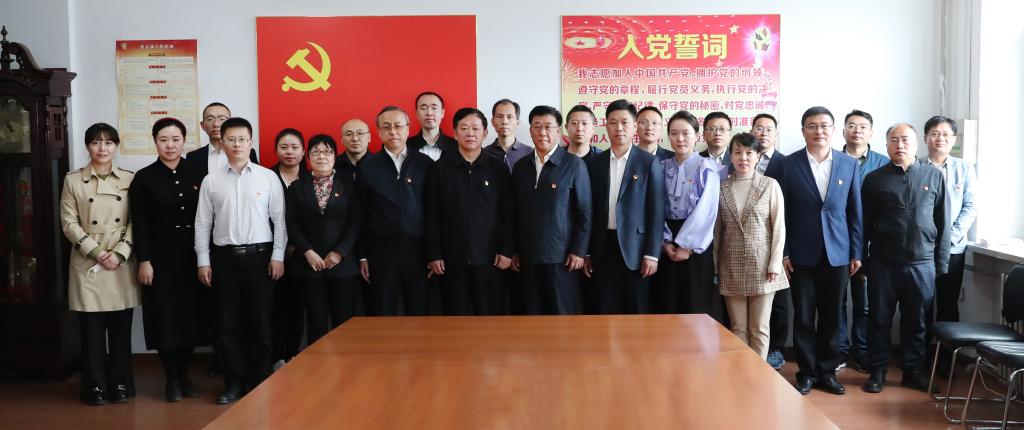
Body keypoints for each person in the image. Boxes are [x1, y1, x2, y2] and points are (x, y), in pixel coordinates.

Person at [194, 117, 286, 404]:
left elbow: (279, 221)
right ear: (222, 143)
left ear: (251, 142)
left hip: (260, 258)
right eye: (231, 139)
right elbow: (202, 223)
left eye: (242, 139)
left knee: (260, 323)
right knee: (227, 324)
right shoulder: (211, 180)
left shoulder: (267, 177)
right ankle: (233, 381)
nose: (237, 145)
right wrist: (203, 260)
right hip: (224, 260)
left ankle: (259, 379)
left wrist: (278, 256)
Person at [777, 106, 863, 396]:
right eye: (812, 126)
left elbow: (855, 212)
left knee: (832, 316)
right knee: (803, 317)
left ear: (834, 130)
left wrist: (855, 252)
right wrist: (784, 252)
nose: (819, 131)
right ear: (803, 131)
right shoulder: (788, 165)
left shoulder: (848, 164)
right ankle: (806, 373)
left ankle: (827, 372)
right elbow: (780, 214)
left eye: (825, 125)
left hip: (838, 254)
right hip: (800, 255)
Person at [861, 123, 950, 394]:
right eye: (893, 140)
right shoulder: (874, 179)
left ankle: (913, 372)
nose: (899, 145)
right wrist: (862, 260)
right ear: (886, 144)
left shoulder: (933, 176)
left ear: (916, 143)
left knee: (917, 321)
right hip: (883, 263)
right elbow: (863, 224)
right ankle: (877, 371)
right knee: (879, 319)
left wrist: (941, 262)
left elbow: (943, 222)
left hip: (922, 263)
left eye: (905, 140)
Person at [130, 118, 208, 402]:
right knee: (165, 318)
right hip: (159, 259)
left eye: (175, 139)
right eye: (163, 140)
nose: (170, 145)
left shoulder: (199, 174)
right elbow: (139, 222)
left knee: (190, 317)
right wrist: (144, 260)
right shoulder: (144, 178)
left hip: (193, 256)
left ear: (184, 141)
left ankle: (185, 375)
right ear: (155, 142)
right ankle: (172, 379)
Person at [60, 123, 139, 405]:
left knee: (120, 331)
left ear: (116, 146)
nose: (102, 148)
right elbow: (68, 222)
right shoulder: (73, 180)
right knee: (91, 333)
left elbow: (136, 221)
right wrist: (96, 252)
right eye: (95, 142)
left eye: (108, 143)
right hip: (87, 262)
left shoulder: (130, 178)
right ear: (87, 146)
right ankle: (94, 386)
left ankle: (120, 383)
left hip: (120, 261)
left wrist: (119, 253)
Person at [426, 108, 514, 315]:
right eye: (464, 128)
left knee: (489, 317)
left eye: (476, 128)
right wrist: (434, 254)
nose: (470, 133)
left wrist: (506, 250)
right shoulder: (440, 169)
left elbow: (508, 213)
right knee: (454, 318)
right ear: (455, 133)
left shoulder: (498, 169)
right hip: (451, 259)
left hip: (490, 258)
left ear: (485, 133)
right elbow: (432, 214)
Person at [584, 99, 665, 314]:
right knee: (603, 307)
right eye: (613, 122)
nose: (619, 128)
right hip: (602, 247)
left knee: (636, 308)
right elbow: (589, 211)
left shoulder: (649, 162)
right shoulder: (595, 163)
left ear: (634, 126)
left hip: (636, 248)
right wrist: (586, 251)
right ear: (606, 126)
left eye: (624, 122)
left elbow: (657, 213)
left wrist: (652, 254)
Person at [511, 105, 592, 315]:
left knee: (561, 313)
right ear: (530, 131)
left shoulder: (573, 165)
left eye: (548, 126)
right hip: (528, 256)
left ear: (558, 131)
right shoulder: (520, 167)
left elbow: (584, 212)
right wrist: (514, 249)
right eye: (537, 126)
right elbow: (514, 213)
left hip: (561, 257)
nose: (542, 132)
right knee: (531, 313)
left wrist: (578, 250)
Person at [714, 132, 789, 360]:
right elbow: (717, 231)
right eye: (738, 152)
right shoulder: (721, 187)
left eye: (749, 153)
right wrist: (715, 265)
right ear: (731, 156)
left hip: (763, 267)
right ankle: (741, 371)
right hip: (731, 266)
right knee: (737, 327)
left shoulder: (769, 185)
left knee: (760, 328)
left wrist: (775, 263)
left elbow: (779, 227)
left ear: (758, 156)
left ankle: (759, 375)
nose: (743, 158)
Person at [356, 106, 433, 316]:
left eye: (398, 126)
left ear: (408, 129)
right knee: (382, 312)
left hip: (417, 252)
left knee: (419, 312)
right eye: (386, 127)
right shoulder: (367, 166)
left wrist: (433, 253)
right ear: (378, 132)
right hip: (381, 252)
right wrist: (362, 255)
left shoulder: (424, 164)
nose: (393, 132)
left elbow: (433, 211)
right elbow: (360, 213)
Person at [286, 134, 362, 343]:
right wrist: (307, 252)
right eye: (316, 152)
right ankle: (316, 364)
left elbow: (355, 222)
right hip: (309, 266)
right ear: (308, 156)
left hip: (342, 266)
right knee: (316, 322)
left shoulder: (349, 185)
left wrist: (339, 253)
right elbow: (292, 224)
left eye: (327, 152)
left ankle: (345, 363)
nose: (321, 156)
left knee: (343, 322)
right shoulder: (297, 187)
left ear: (335, 156)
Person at [921, 115, 977, 372]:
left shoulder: (964, 168)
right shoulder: (916, 166)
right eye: (934, 133)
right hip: (921, 249)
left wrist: (948, 237)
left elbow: (970, 207)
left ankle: (946, 360)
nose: (939, 138)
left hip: (953, 249)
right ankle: (920, 359)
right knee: (921, 304)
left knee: (947, 303)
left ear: (953, 140)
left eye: (945, 134)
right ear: (925, 138)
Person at [653, 110, 720, 315]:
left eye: (685, 133)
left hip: (696, 243)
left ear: (697, 136)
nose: (680, 139)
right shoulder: (660, 167)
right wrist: (664, 242)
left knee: (694, 302)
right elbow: (655, 207)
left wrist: (687, 246)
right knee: (667, 301)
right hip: (666, 240)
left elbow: (707, 211)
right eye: (674, 133)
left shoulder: (707, 168)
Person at [838, 109, 889, 372]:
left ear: (871, 132)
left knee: (864, 304)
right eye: (851, 125)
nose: (857, 130)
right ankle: (838, 351)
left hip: (869, 245)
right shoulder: (832, 160)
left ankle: (862, 351)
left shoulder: (882, 163)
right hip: (836, 243)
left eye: (862, 126)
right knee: (836, 302)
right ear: (843, 130)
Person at [269, 129, 310, 366]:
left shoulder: (312, 178)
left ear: (304, 151)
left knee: (298, 307)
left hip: (303, 255)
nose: (289, 152)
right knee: (275, 308)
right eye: (284, 147)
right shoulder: (266, 177)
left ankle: (293, 354)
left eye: (295, 147)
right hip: (273, 255)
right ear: (276, 150)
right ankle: (276, 356)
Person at [752, 112, 789, 370]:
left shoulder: (786, 164)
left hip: (777, 241)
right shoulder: (740, 159)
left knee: (779, 301)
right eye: (759, 128)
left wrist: (786, 251)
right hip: (747, 243)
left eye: (768, 129)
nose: (763, 133)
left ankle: (776, 348)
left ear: (776, 134)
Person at [187, 102, 259, 176]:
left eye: (222, 119)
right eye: (210, 119)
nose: (216, 124)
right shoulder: (193, 157)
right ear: (202, 125)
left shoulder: (247, 152)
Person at [483, 99, 533, 172]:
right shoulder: (483, 154)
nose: (504, 122)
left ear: (517, 122)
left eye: (509, 117)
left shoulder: (530, 153)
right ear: (492, 122)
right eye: (499, 116)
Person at [407, 91, 457, 161]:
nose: (429, 113)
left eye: (434, 108)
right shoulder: (405, 146)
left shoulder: (456, 146)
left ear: (442, 113)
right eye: (423, 108)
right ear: (417, 114)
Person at [699, 111, 733, 178]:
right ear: (704, 134)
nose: (717, 133)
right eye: (712, 129)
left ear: (730, 135)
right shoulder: (696, 160)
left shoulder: (738, 160)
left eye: (722, 129)